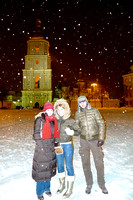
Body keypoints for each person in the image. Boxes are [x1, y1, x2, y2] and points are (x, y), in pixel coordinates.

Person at [75, 96, 108, 194]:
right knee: (85, 162)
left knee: (99, 163)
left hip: (95, 140)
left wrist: (101, 138)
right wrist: (72, 130)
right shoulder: (77, 113)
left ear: (87, 101)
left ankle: (101, 184)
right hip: (83, 141)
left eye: (84, 102)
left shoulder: (94, 111)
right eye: (80, 102)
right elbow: (77, 127)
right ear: (78, 104)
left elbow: (101, 123)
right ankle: (89, 183)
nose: (82, 104)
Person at [32, 102, 60, 200]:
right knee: (41, 170)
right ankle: (39, 192)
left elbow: (55, 134)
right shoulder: (40, 120)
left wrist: (56, 143)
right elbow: (36, 135)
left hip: (51, 148)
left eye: (51, 110)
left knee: (48, 169)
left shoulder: (53, 120)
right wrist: (41, 146)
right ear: (44, 110)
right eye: (48, 110)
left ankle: (47, 188)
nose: (50, 111)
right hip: (41, 149)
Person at [54, 98, 81, 198]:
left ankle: (69, 189)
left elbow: (79, 131)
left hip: (67, 145)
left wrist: (73, 132)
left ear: (66, 110)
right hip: (58, 146)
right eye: (58, 109)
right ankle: (62, 185)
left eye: (62, 109)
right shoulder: (55, 120)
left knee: (69, 165)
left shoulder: (70, 120)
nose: (60, 112)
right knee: (60, 165)